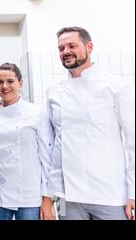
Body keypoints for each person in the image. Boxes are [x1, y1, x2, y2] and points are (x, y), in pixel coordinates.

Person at [47, 26, 135, 220]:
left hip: (110, 195)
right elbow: (55, 145)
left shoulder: (115, 86)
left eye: (72, 45)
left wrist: (133, 193)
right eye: (61, 48)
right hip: (65, 197)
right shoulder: (54, 91)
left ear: (89, 46)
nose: (65, 52)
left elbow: (132, 142)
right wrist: (52, 195)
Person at [0, 63, 55, 220]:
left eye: (10, 81)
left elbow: (48, 158)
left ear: (20, 83)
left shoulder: (36, 113)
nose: (4, 86)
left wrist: (48, 198)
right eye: (0, 82)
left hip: (30, 196)